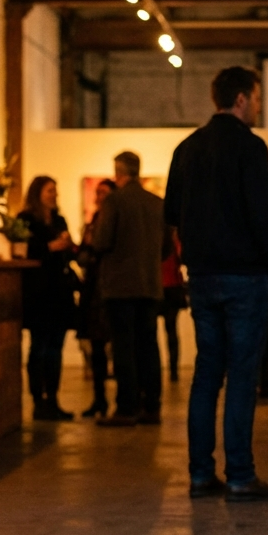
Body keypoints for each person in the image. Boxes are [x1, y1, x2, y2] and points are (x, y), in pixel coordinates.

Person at [164, 66, 268, 502]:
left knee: (207, 374)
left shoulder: (186, 148)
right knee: (243, 375)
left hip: (203, 278)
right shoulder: (250, 147)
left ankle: (199, 473)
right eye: (258, 96)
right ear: (243, 99)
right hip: (245, 278)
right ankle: (241, 475)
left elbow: (172, 213)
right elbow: (262, 215)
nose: (260, 105)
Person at [93, 151, 168, 427]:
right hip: (149, 284)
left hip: (121, 286)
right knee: (148, 346)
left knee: (124, 347)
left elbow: (102, 241)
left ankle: (127, 407)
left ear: (118, 172)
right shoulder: (156, 203)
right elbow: (167, 248)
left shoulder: (115, 200)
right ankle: (152, 406)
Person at [19, 176, 79, 422]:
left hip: (59, 292)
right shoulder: (26, 220)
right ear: (37, 193)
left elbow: (68, 250)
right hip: (38, 292)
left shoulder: (59, 219)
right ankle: (38, 400)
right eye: (49, 190)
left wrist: (68, 245)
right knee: (40, 347)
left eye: (55, 190)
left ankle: (52, 399)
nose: (54, 195)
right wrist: (51, 247)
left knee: (56, 348)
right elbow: (24, 251)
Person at [77, 179, 117, 419]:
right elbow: (83, 258)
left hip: (112, 289)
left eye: (105, 193)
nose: (100, 197)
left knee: (120, 347)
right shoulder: (93, 222)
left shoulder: (116, 222)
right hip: (94, 291)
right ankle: (99, 399)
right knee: (97, 349)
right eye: (98, 193)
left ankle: (126, 400)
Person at [161, 229, 188, 384]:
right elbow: (181, 256)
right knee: (171, 331)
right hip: (172, 286)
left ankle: (170, 370)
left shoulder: (156, 235)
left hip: (159, 284)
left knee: (148, 332)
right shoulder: (173, 237)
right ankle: (173, 370)